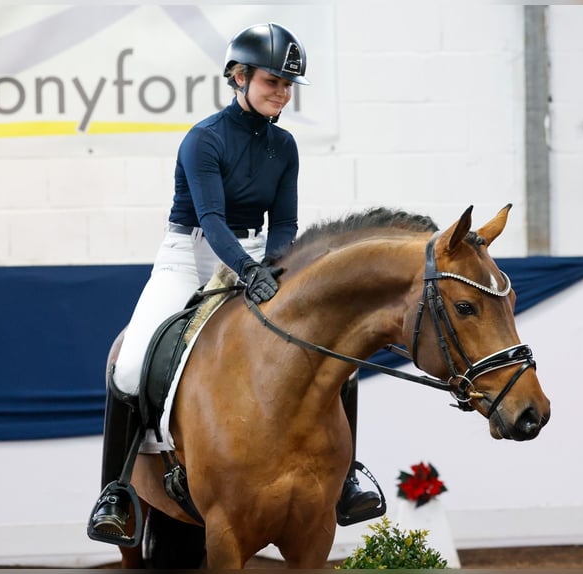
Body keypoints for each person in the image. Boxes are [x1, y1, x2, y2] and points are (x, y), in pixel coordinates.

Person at [87, 22, 381, 547]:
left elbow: (285, 223)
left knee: (337, 358)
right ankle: (115, 493)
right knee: (129, 363)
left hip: (260, 255)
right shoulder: (204, 140)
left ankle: (347, 477)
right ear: (239, 77)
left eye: (289, 85)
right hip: (191, 254)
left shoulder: (285, 145)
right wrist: (247, 275)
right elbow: (212, 218)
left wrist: (270, 267)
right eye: (273, 82)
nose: (283, 94)